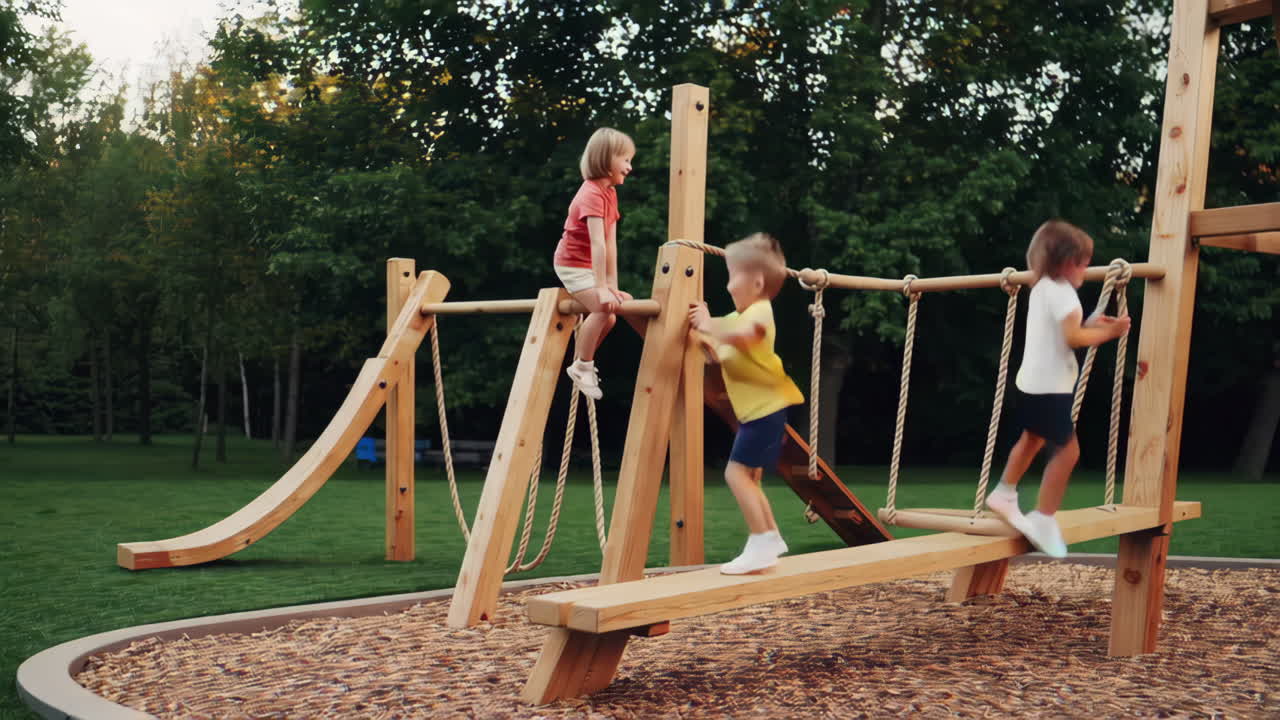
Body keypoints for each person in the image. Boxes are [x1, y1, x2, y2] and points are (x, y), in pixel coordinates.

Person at [985, 220, 1131, 558]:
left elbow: (1065, 331)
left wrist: (1092, 324)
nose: (1086, 268)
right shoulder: (1064, 293)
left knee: (1032, 438)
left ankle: (1004, 493)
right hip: (1050, 387)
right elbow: (1074, 337)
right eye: (1083, 262)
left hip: (1031, 384)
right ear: (1067, 263)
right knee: (1068, 452)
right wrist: (1110, 333)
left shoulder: (1042, 288)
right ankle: (1044, 517)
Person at [688, 233, 804, 574]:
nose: (727, 286)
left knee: (735, 474)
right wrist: (703, 328)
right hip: (760, 412)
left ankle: (763, 539)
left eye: (731, 276)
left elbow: (742, 335)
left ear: (756, 282)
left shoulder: (760, 313)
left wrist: (710, 324)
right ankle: (770, 539)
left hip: (766, 410)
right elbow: (717, 346)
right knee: (748, 476)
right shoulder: (739, 318)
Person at [553, 127, 635, 400]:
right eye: (625, 160)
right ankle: (583, 366)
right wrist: (600, 288)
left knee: (609, 315)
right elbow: (598, 243)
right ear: (606, 158)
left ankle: (580, 363)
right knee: (602, 307)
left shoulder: (609, 193)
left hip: (588, 264)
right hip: (571, 264)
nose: (629, 167)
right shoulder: (590, 193)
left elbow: (611, 244)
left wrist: (612, 285)